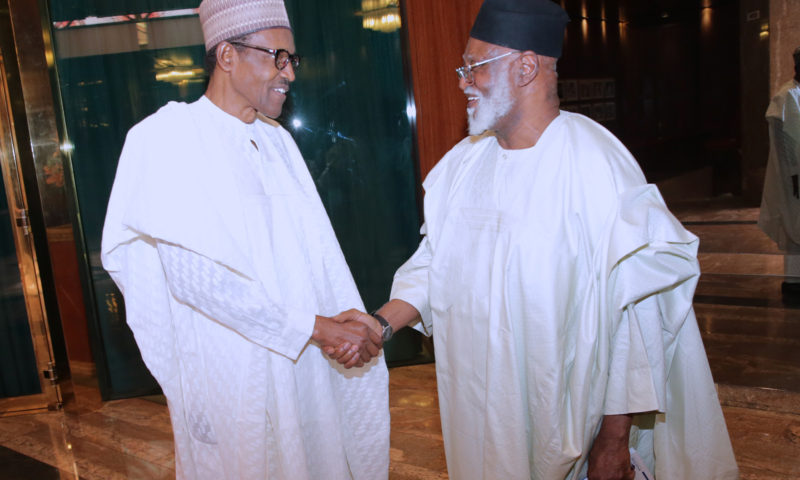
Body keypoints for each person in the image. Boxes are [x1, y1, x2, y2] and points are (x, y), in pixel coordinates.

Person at [330, 0, 739, 478]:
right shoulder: (463, 167)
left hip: (570, 424)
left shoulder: (595, 166)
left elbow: (637, 319)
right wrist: (378, 325)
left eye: (474, 67)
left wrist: (612, 441)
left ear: (525, 67)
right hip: (477, 413)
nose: (462, 81)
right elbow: (435, 266)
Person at [101, 0, 388, 478]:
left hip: (303, 365)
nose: (289, 72)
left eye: (292, 59)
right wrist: (317, 328)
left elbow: (318, 258)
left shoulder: (277, 142)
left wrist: (346, 327)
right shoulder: (166, 138)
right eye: (277, 56)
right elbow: (199, 280)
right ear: (227, 55)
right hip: (231, 371)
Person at [758, 46, 800, 301]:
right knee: (795, 226)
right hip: (793, 178)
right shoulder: (786, 96)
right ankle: (794, 282)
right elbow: (785, 143)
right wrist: (794, 175)